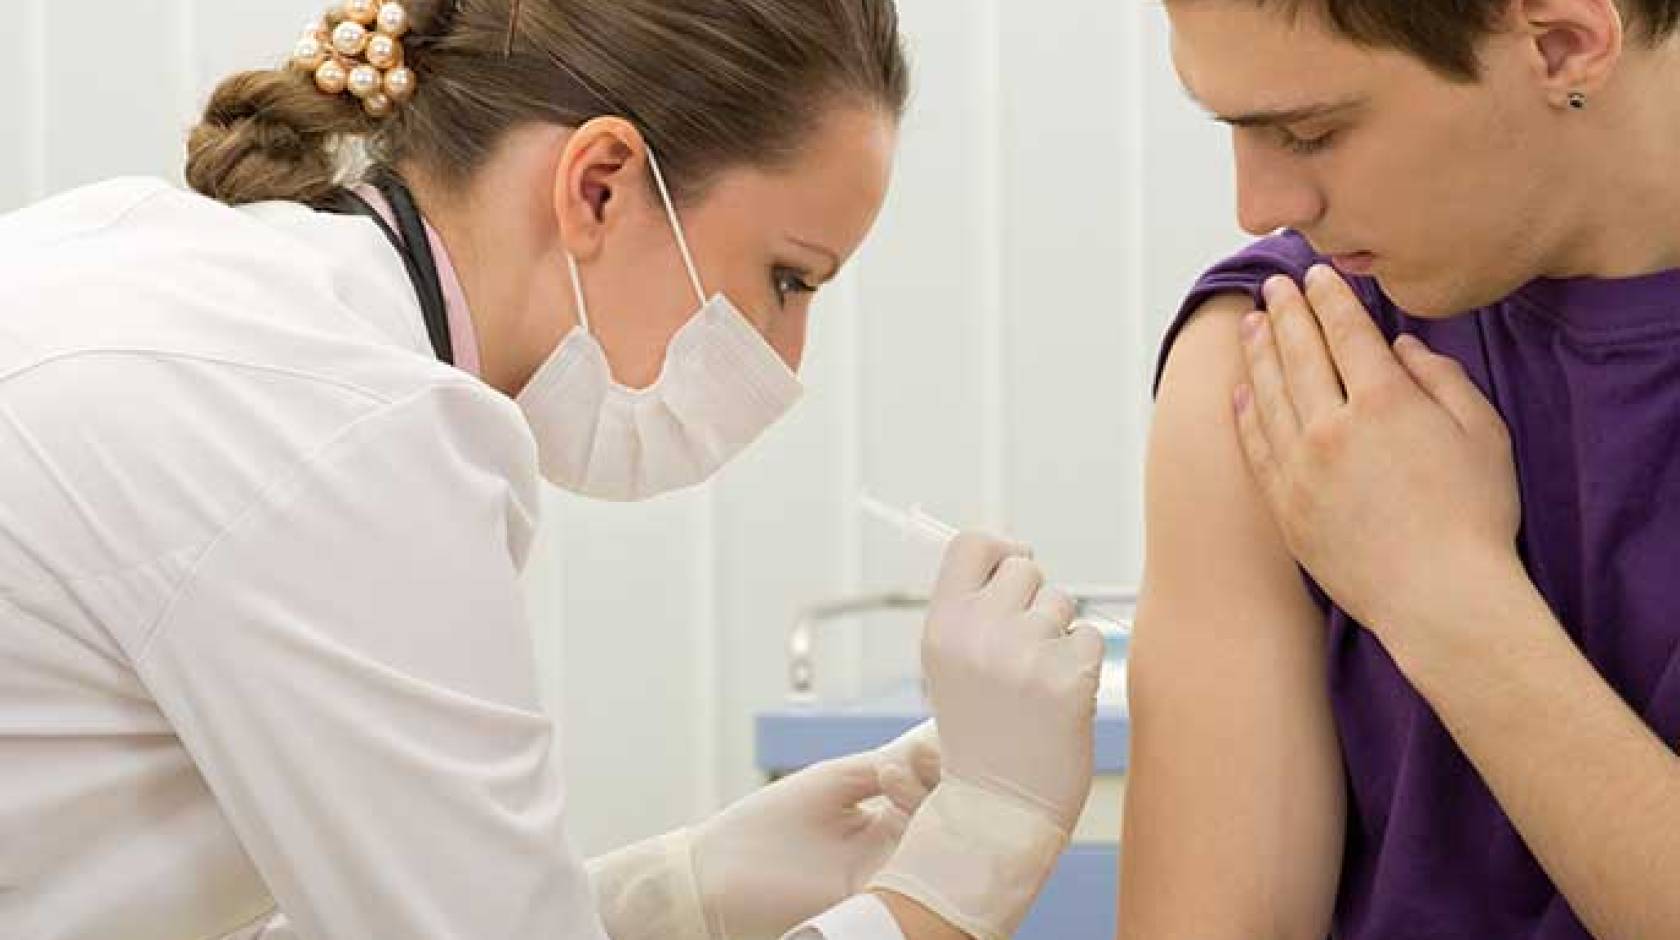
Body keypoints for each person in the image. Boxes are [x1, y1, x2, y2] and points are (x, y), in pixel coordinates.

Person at [0, 2, 1106, 939]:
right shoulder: (346, 436)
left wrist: (674, 892)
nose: (790, 359)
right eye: (787, 279)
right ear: (601, 185)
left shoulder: (161, 261)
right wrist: (962, 867)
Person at [1123, 1, 1680, 938]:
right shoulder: (1278, 352)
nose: (1259, 206)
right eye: (1235, 127)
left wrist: (1442, 593)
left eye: (1311, 131)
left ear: (1562, 43)